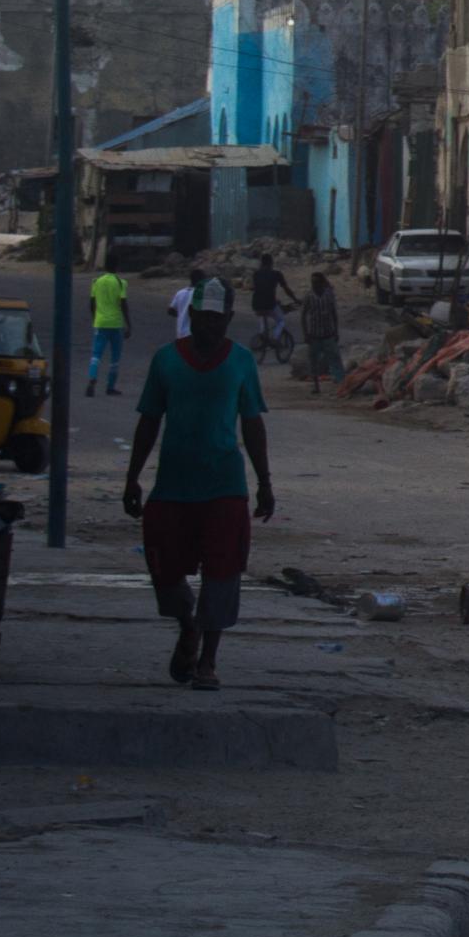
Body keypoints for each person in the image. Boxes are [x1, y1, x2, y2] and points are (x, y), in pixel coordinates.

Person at [123, 289, 274, 691]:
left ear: (228, 317)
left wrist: (265, 483)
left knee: (222, 573)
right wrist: (132, 476)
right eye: (203, 317)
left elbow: (252, 424)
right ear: (192, 314)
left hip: (225, 483)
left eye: (217, 318)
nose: (209, 325)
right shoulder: (166, 360)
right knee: (165, 570)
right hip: (172, 485)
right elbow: (149, 421)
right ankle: (187, 625)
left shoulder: (241, 361)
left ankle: (208, 660)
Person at [85, 267, 131, 397]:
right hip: (116, 324)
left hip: (100, 323)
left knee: (96, 355)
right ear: (117, 266)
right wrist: (129, 324)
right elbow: (123, 304)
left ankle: (92, 378)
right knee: (115, 357)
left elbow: (92, 303)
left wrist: (95, 319)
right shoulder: (121, 282)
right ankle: (110, 386)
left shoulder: (96, 282)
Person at [300, 272, 344, 394]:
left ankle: (342, 385)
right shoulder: (308, 296)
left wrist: (336, 331)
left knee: (335, 359)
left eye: (316, 282)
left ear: (322, 283)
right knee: (313, 361)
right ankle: (316, 386)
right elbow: (303, 316)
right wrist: (306, 334)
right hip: (314, 335)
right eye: (312, 282)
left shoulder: (328, 295)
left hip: (328, 333)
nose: (314, 284)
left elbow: (334, 314)